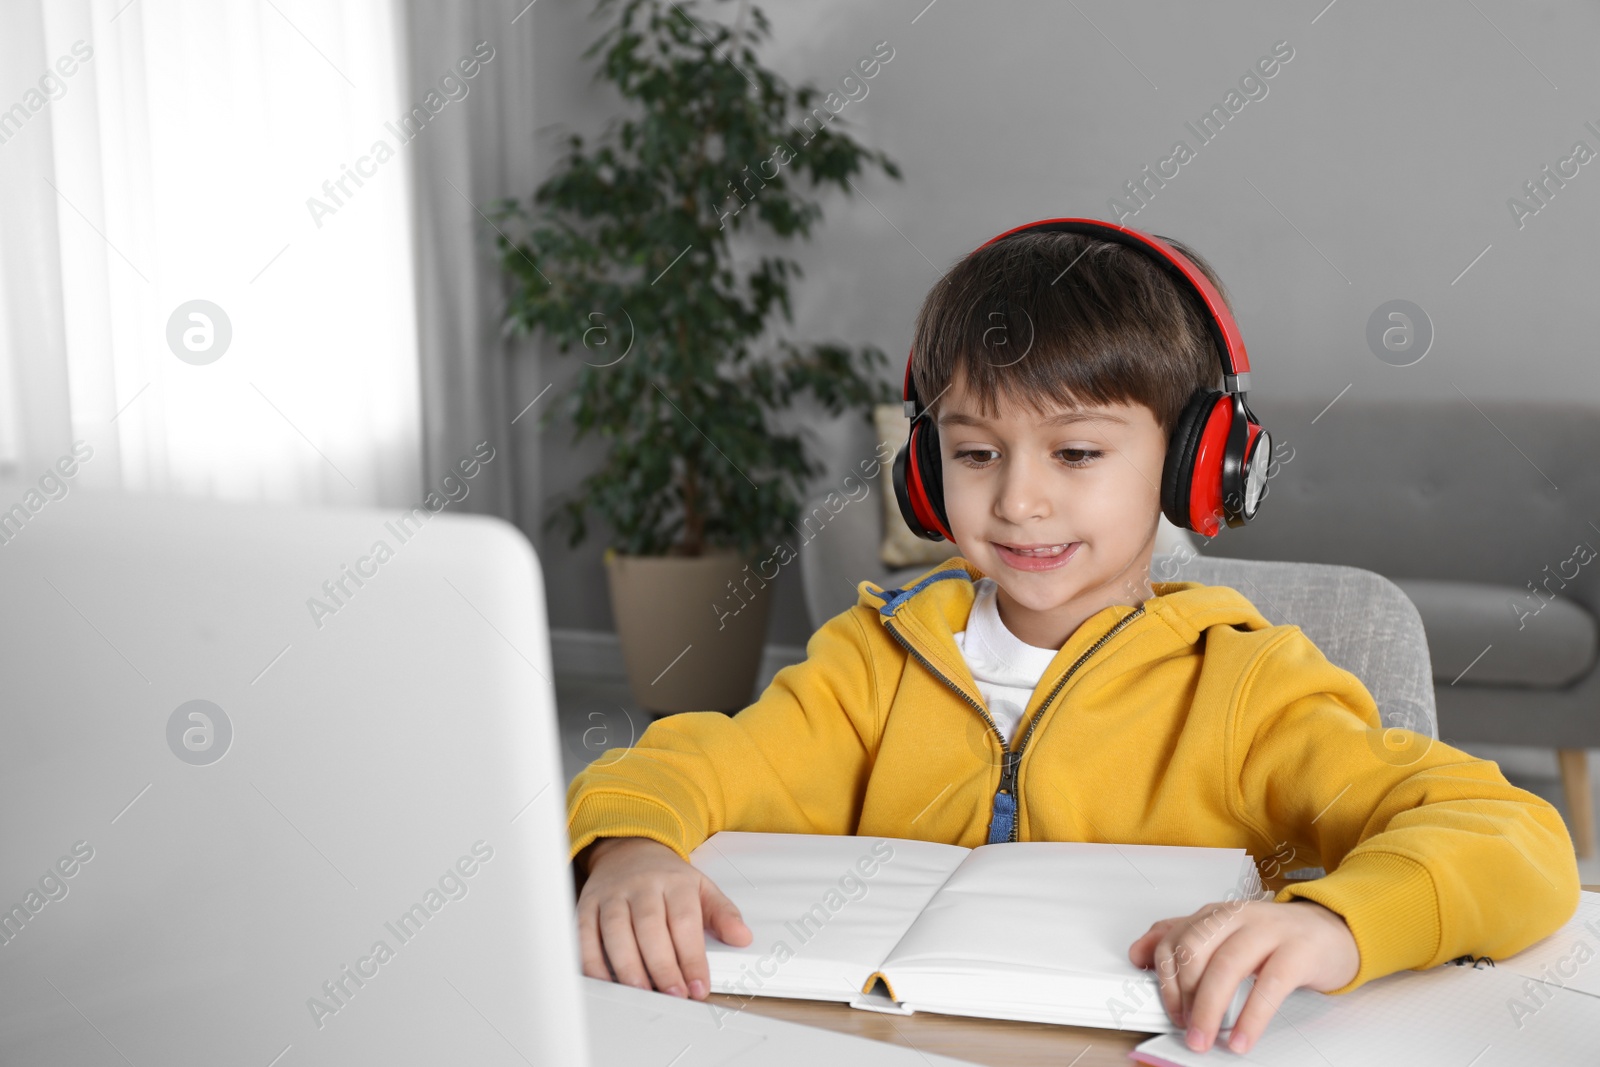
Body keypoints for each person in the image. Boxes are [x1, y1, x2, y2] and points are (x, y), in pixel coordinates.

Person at [565, 219, 1581, 1056]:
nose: (1017, 497)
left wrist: (1333, 923)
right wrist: (630, 844)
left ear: (1197, 466)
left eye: (1078, 449)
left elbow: (1514, 838)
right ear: (923, 469)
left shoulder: (1242, 684)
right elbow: (692, 757)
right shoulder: (869, 661)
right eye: (973, 451)